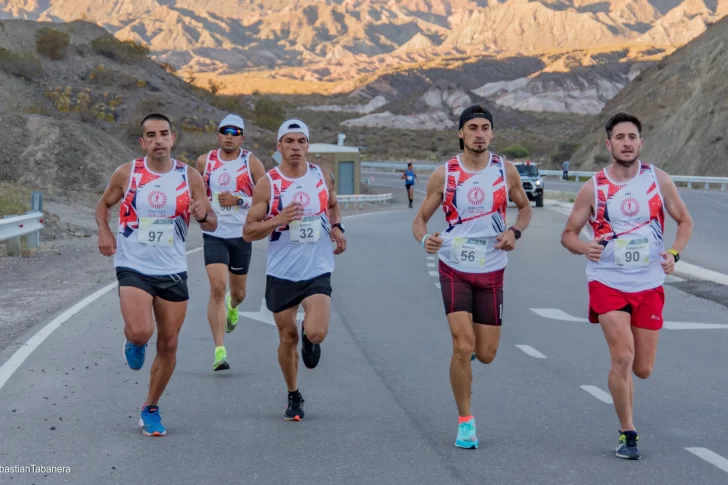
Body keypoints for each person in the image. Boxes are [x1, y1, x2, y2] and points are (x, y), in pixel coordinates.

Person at [560, 112, 693, 460]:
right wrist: (583, 247)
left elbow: (685, 220)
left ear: (640, 142)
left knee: (642, 368)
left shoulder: (658, 180)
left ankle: (628, 401)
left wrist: (675, 254)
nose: (626, 142)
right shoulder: (594, 187)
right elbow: (568, 234)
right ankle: (627, 432)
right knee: (622, 356)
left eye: (632, 136)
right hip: (607, 281)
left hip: (649, 282)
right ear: (609, 144)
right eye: (619, 137)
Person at [411, 105, 532, 449]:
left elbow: (524, 209)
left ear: (492, 134)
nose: (479, 133)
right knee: (462, 346)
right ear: (461, 133)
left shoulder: (505, 171)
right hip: (454, 266)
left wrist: (514, 232)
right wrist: (426, 239)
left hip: (492, 269)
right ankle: (466, 421)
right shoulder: (445, 174)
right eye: (473, 128)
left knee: (487, 352)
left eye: (485, 128)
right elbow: (419, 220)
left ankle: (471, 357)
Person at [96, 113, 217, 436]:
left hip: (173, 269)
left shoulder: (189, 176)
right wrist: (104, 232)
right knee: (140, 331)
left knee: (170, 344)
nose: (158, 140)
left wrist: (203, 213)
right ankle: (133, 341)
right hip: (133, 264)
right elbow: (103, 204)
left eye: (164, 133)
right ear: (143, 142)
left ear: (173, 138)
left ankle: (150, 407)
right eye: (151, 135)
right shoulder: (129, 173)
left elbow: (211, 222)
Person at [243, 119, 346, 421]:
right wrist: (279, 219)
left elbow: (334, 205)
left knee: (317, 331)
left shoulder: (321, 176)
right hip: (282, 272)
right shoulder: (269, 184)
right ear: (279, 146)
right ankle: (293, 393)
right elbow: (248, 232)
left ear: (308, 146)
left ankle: (309, 335)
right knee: (286, 338)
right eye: (289, 141)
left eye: (301, 141)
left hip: (317, 268)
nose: (296, 147)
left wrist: (337, 227)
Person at [195, 114, 266, 371]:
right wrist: (200, 210)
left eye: (235, 132)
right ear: (218, 135)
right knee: (216, 287)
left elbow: (267, 197)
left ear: (242, 137)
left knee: (237, 293)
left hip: (241, 234)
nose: (229, 135)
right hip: (214, 233)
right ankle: (219, 350)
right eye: (225, 131)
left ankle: (232, 307)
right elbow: (198, 193)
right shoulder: (205, 161)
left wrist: (239, 201)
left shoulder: (251, 162)